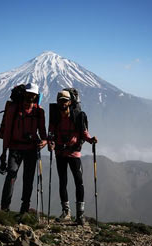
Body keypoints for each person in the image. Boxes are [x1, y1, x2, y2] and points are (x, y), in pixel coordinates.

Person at [48, 90, 97, 225]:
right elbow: (51, 132)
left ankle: (79, 215)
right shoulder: (55, 117)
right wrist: (50, 142)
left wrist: (90, 139)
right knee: (63, 182)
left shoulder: (77, 116)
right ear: (58, 102)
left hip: (74, 153)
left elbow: (84, 132)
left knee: (78, 182)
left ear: (70, 102)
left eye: (65, 100)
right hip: (60, 153)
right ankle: (67, 212)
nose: (63, 103)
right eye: (61, 100)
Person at [0, 83, 47, 214]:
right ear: (24, 94)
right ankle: (5, 209)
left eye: (33, 95)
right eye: (28, 94)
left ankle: (24, 210)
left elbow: (43, 132)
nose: (30, 97)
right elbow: (8, 131)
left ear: (36, 96)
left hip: (31, 149)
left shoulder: (39, 112)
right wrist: (4, 152)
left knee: (28, 179)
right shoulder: (14, 109)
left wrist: (45, 141)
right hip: (15, 148)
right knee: (11, 176)